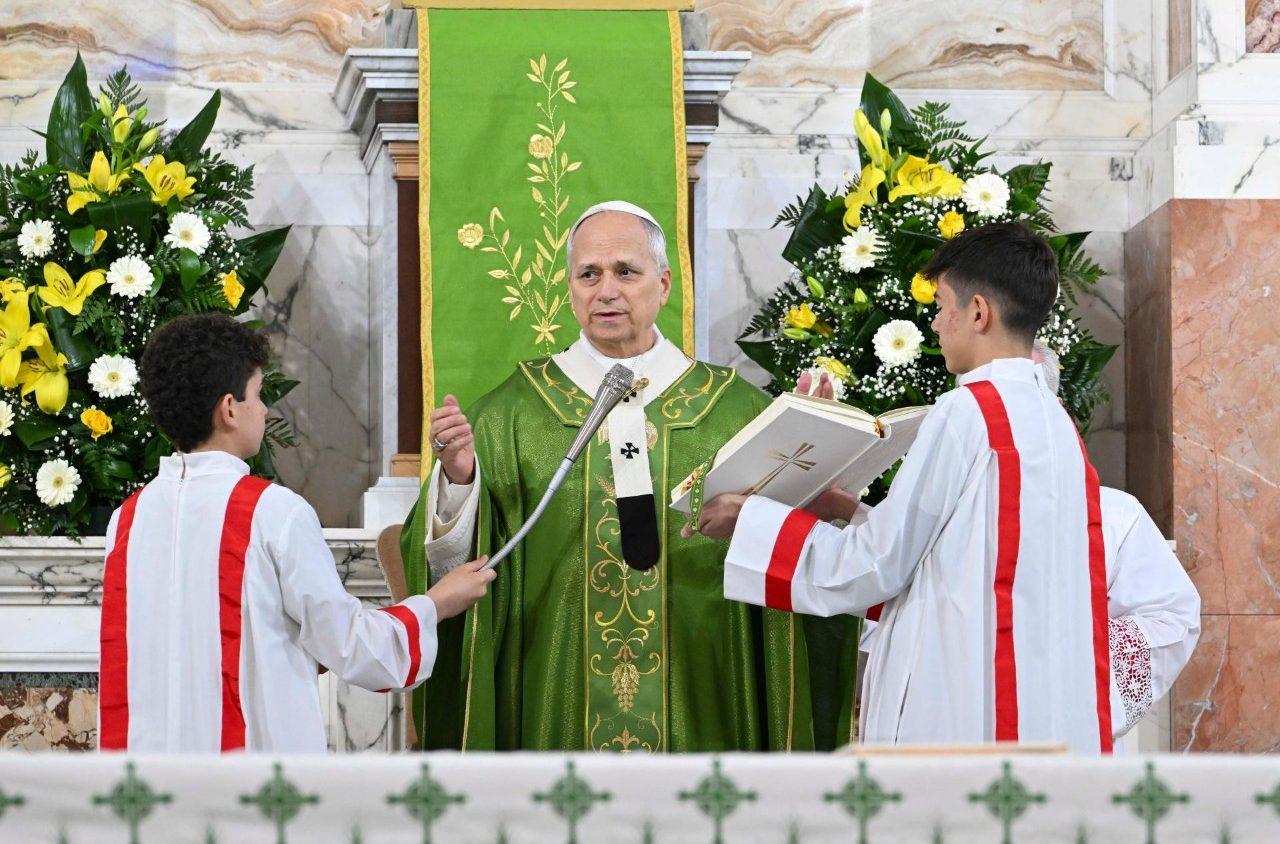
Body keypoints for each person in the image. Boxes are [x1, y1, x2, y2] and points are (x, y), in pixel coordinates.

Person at [698, 222, 1184, 754]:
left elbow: (878, 565)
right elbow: (961, 559)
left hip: (961, 705)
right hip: (1018, 703)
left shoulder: (967, 410)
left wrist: (753, 523)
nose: (934, 324)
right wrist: (847, 508)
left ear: (978, 312)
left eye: (941, 306)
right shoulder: (1052, 419)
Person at [401, 201, 856, 752]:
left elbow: (810, 538)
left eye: (626, 271)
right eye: (588, 274)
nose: (606, 290)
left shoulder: (737, 412)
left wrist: (816, 439)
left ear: (663, 285)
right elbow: (454, 568)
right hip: (554, 685)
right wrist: (460, 479)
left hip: (704, 681)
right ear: (569, 288)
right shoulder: (510, 414)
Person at [98, 314, 493, 752]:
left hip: (153, 785)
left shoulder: (128, 520)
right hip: (250, 787)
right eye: (258, 394)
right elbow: (350, 645)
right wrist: (438, 603)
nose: (266, 410)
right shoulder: (272, 512)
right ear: (230, 409)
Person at [852, 345, 1199, 748]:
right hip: (956, 732)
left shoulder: (1116, 515)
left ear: (1053, 408)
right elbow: (886, 593)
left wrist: (1067, 664)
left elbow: (1173, 618)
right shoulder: (940, 509)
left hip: (1063, 742)